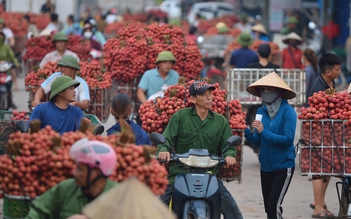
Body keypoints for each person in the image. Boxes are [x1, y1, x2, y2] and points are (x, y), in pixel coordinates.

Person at [157, 80, 243, 219]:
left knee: (232, 209)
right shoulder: (180, 117)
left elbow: (229, 147)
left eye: (210, 94)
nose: (209, 97)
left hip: (209, 174)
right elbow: (165, 139)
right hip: (180, 173)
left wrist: (229, 155)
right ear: (193, 99)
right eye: (204, 95)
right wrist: (163, 149)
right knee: (157, 207)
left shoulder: (220, 121)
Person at [244, 72, 297, 219]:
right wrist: (247, 133)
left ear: (279, 92)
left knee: (274, 206)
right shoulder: (261, 111)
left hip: (283, 166)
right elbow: (258, 141)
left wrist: (264, 132)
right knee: (268, 207)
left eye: (269, 89)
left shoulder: (288, 112)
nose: (265, 93)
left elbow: (287, 139)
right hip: (266, 167)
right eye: (263, 90)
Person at [26, 138, 117, 218]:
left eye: (80, 169)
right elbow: (38, 212)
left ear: (96, 173)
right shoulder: (66, 189)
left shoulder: (120, 196)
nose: (74, 172)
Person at [308, 53, 342, 218]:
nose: (340, 72)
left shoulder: (330, 81)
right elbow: (317, 110)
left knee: (326, 168)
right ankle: (318, 207)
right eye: (337, 69)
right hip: (318, 133)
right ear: (328, 72)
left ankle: (319, 203)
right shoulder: (318, 88)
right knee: (319, 170)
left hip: (328, 133)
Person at [0, 31, 19, 95]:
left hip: (5, 66)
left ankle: (15, 83)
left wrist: (16, 63)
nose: (0, 37)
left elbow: (12, 56)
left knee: (12, 68)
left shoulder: (6, 47)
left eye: (1, 36)